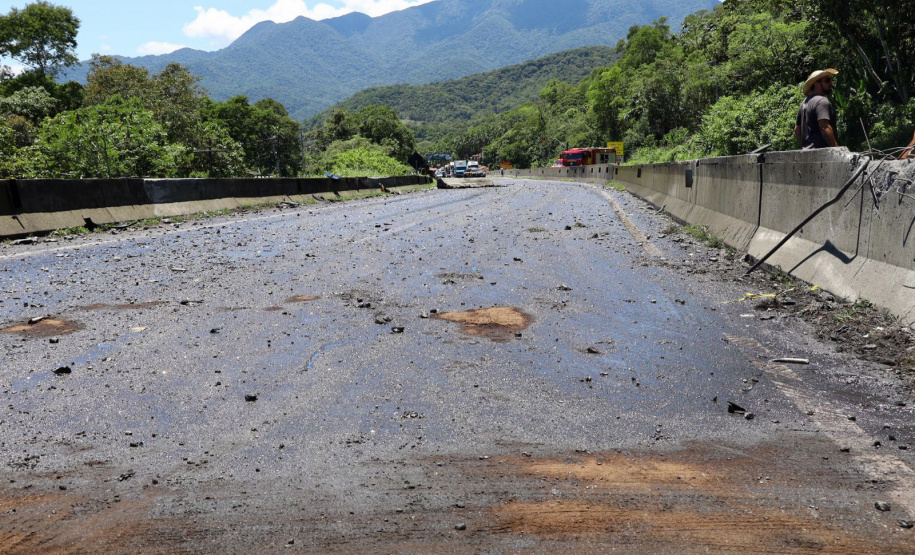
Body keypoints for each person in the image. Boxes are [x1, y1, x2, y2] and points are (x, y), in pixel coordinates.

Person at [795, 69, 839, 149]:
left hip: (808, 154)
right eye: (827, 81)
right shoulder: (822, 101)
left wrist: (803, 147)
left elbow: (797, 129)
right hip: (823, 153)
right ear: (817, 84)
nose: (830, 83)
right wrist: (837, 149)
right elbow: (825, 127)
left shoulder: (804, 103)